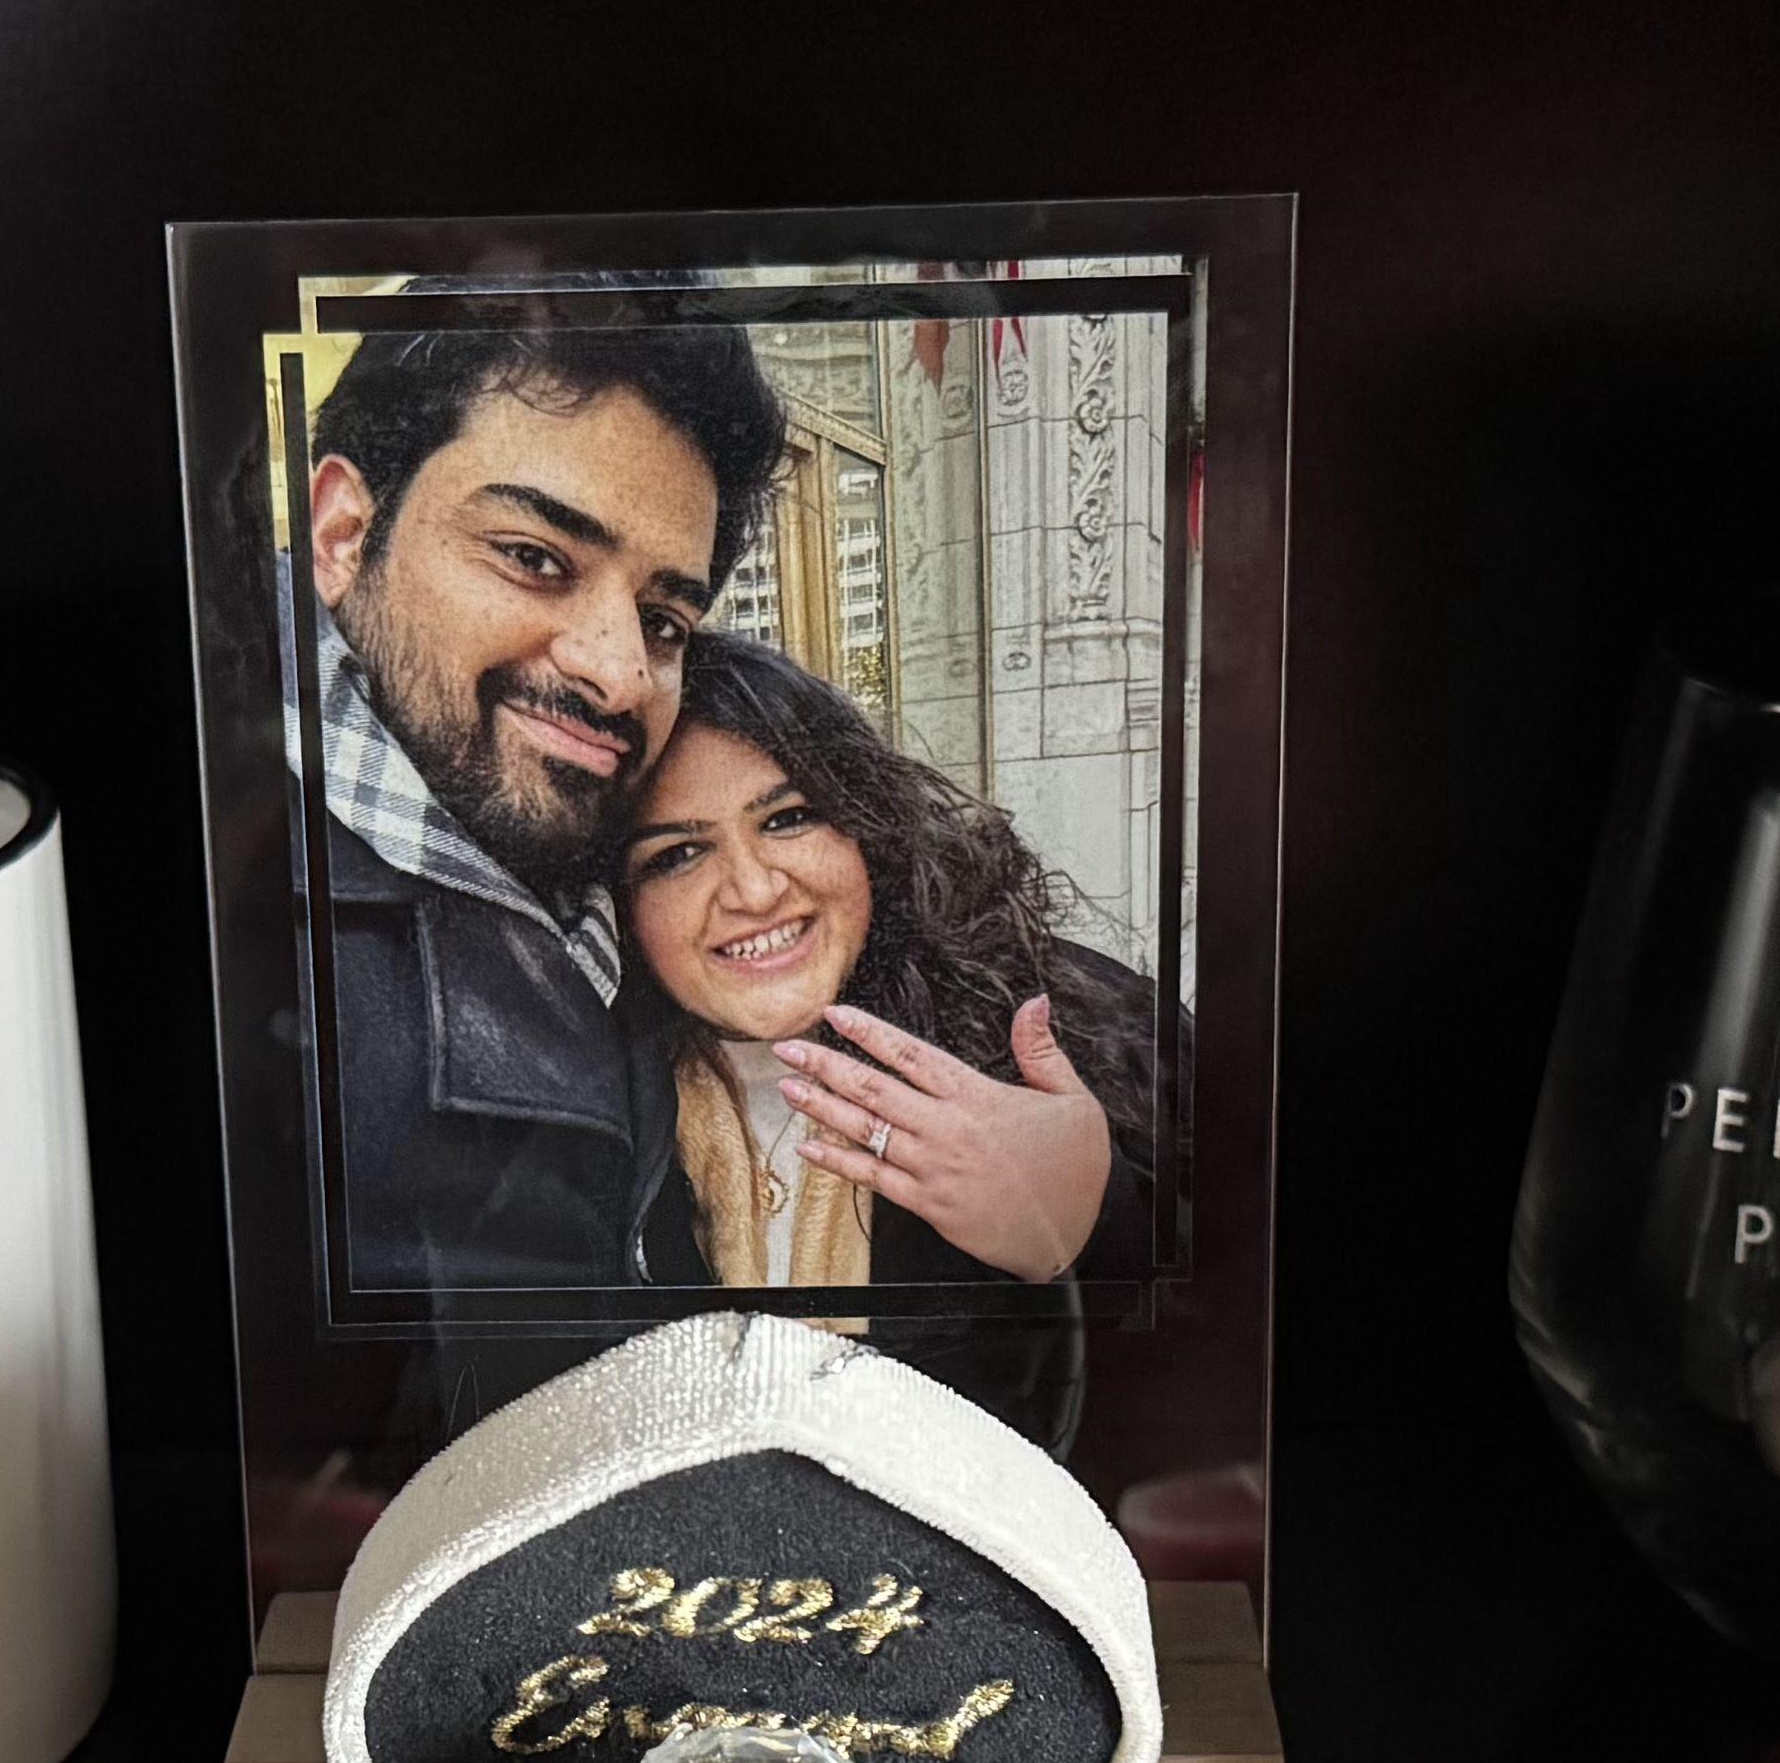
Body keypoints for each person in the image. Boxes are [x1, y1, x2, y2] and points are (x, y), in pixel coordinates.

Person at [300, 314, 795, 1296]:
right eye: (534, 558)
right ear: (344, 534)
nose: (619, 673)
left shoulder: (637, 848)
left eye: (663, 621)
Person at [607, 628, 1163, 1311]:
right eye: (677, 856)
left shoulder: (1094, 1024)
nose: (753, 891)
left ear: (866, 825)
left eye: (787, 819)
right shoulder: (591, 1113)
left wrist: (1095, 1226)